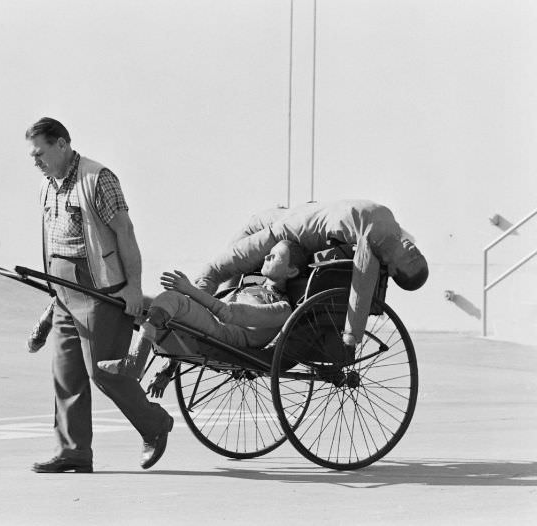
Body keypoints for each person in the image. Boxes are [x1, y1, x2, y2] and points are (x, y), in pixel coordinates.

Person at [25, 117, 173, 474]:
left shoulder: (98, 179)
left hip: (100, 292)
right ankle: (73, 451)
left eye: (40, 152)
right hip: (63, 292)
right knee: (66, 373)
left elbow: (125, 233)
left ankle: (154, 424)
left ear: (62, 144)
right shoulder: (48, 185)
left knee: (103, 372)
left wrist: (134, 289)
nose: (35, 160)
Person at [195, 199, 429, 348]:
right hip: (285, 216)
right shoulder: (394, 231)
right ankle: (202, 314)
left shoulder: (372, 242)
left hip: (280, 233)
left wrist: (352, 334)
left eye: (411, 259)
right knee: (238, 249)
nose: (412, 250)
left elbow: (362, 285)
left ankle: (192, 317)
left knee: (214, 270)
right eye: (417, 252)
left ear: (394, 268)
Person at [97, 240, 309, 380]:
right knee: (135, 300)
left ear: (292, 271)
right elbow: (190, 327)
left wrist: (189, 289)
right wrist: (169, 370)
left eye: (276, 256)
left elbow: (229, 313)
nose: (267, 257)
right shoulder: (250, 286)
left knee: (173, 299)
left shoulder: (282, 309)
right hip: (209, 326)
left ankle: (134, 363)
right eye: (268, 254)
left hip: (224, 336)